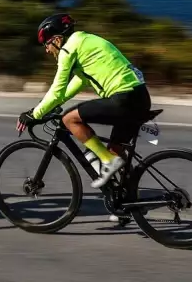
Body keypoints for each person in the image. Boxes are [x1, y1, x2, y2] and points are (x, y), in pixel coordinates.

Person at [20, 13, 151, 192]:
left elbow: (57, 91)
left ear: (57, 40)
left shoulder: (68, 50)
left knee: (69, 119)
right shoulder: (86, 41)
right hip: (140, 97)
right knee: (115, 151)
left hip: (124, 99)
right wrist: (46, 107)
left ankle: (109, 161)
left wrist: (34, 114)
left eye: (47, 44)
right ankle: (128, 204)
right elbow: (78, 83)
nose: (47, 50)